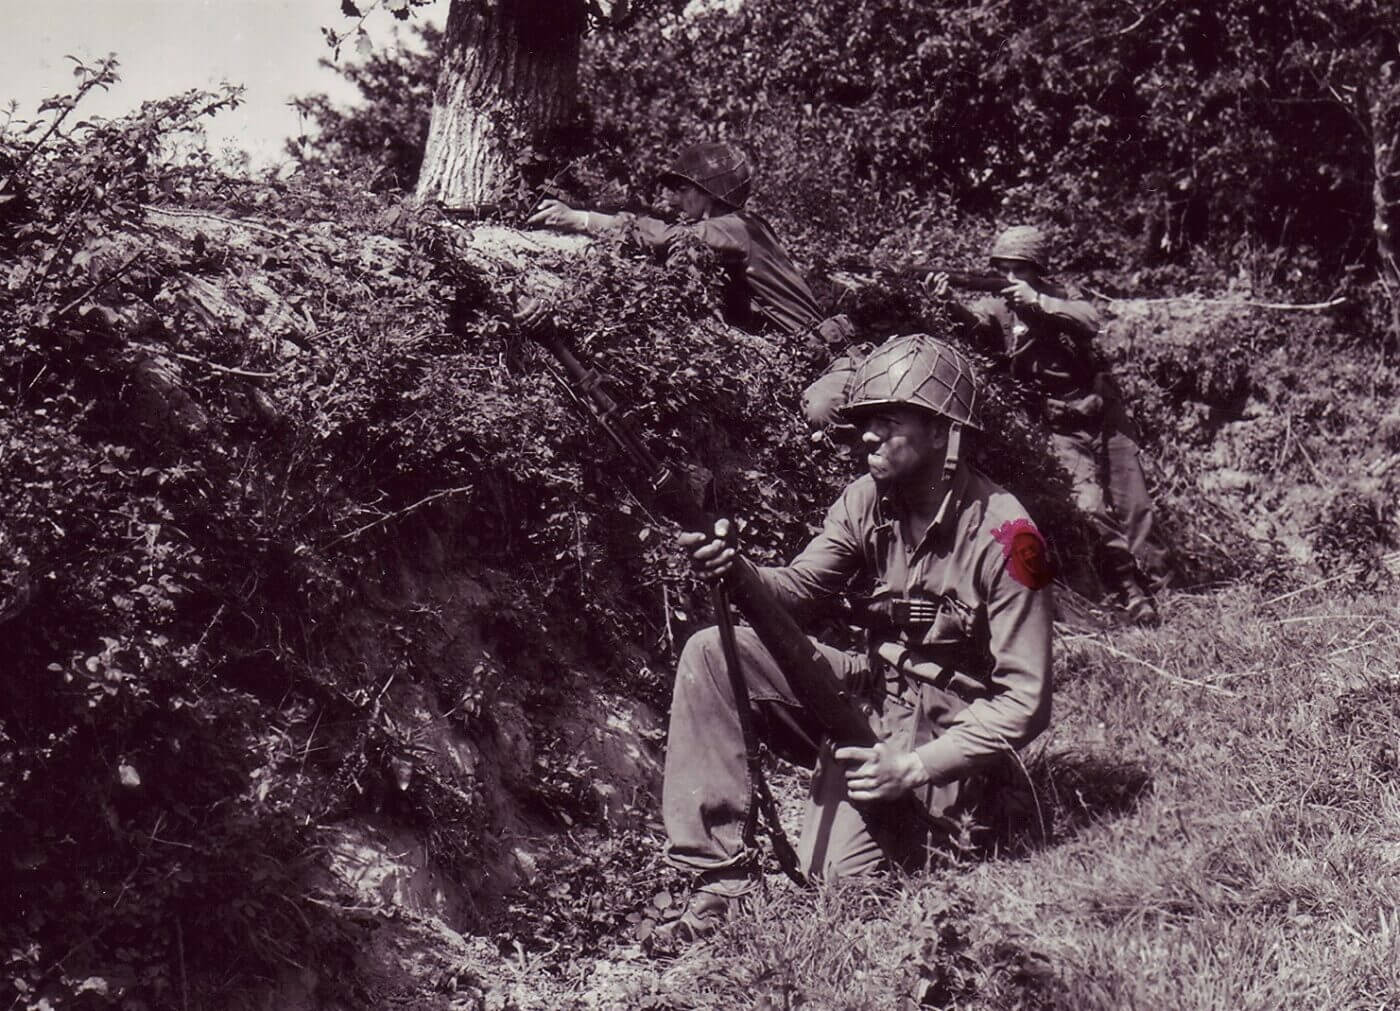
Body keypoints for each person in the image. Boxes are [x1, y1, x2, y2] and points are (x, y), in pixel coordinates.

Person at [652, 333, 1053, 949]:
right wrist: (735, 566)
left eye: (889, 420)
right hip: (866, 688)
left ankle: (957, 818)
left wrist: (913, 768)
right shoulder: (867, 500)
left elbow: (1025, 702)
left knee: (834, 885)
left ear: (944, 432)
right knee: (711, 650)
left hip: (943, 729)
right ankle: (718, 879)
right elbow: (802, 587)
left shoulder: (1009, 538)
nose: (867, 435)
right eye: (865, 421)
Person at [933, 225, 1167, 625]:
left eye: (1018, 270)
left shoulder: (1057, 296)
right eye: (1002, 269)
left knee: (1136, 505)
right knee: (1090, 506)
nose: (1008, 279)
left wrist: (1038, 301)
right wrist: (948, 303)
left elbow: (1091, 320)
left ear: (1037, 270)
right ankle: (1129, 589)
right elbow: (978, 330)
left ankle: (1164, 589)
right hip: (1059, 423)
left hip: (1104, 413)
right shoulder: (998, 307)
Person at [526, 141, 850, 349]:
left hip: (810, 353)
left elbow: (666, 238)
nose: (677, 199)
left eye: (683, 189)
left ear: (709, 194)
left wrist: (581, 219)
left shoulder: (734, 229)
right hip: (811, 346)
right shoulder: (745, 226)